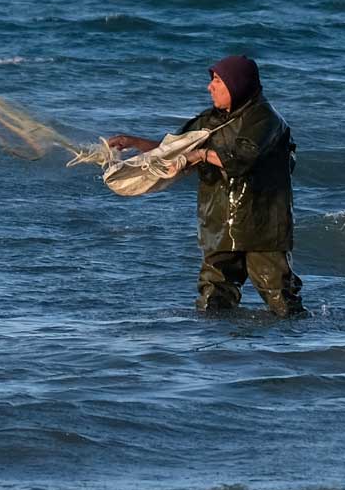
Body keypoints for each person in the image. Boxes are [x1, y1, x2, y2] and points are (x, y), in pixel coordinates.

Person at [107, 54, 305, 316]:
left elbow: (244, 157)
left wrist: (199, 155)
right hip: (218, 224)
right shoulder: (210, 120)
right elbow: (174, 148)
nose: (210, 87)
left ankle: (293, 350)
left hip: (261, 226)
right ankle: (216, 354)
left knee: (280, 300)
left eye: (217, 80)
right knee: (212, 302)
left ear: (237, 84)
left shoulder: (265, 119)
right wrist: (133, 142)